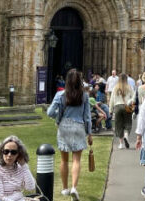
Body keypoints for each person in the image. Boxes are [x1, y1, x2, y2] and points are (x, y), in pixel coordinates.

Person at [47, 68, 92, 201]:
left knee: (64, 159)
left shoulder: (60, 95)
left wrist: (57, 117)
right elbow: (87, 117)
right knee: (76, 160)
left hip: (64, 127)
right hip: (79, 126)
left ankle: (65, 188)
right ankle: (74, 188)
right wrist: (89, 133)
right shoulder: (84, 96)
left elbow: (50, 112)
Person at [0, 135, 36, 201]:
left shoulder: (19, 167)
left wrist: (24, 166)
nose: (9, 155)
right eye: (6, 151)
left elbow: (30, 187)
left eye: (13, 152)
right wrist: (18, 195)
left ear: (18, 154)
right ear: (1, 152)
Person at [110, 73, 136, 150]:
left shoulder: (115, 87)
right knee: (128, 122)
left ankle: (121, 144)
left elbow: (112, 99)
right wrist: (133, 107)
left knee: (118, 125)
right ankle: (126, 135)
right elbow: (133, 98)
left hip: (117, 107)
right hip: (127, 106)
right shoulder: (129, 87)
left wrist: (110, 110)